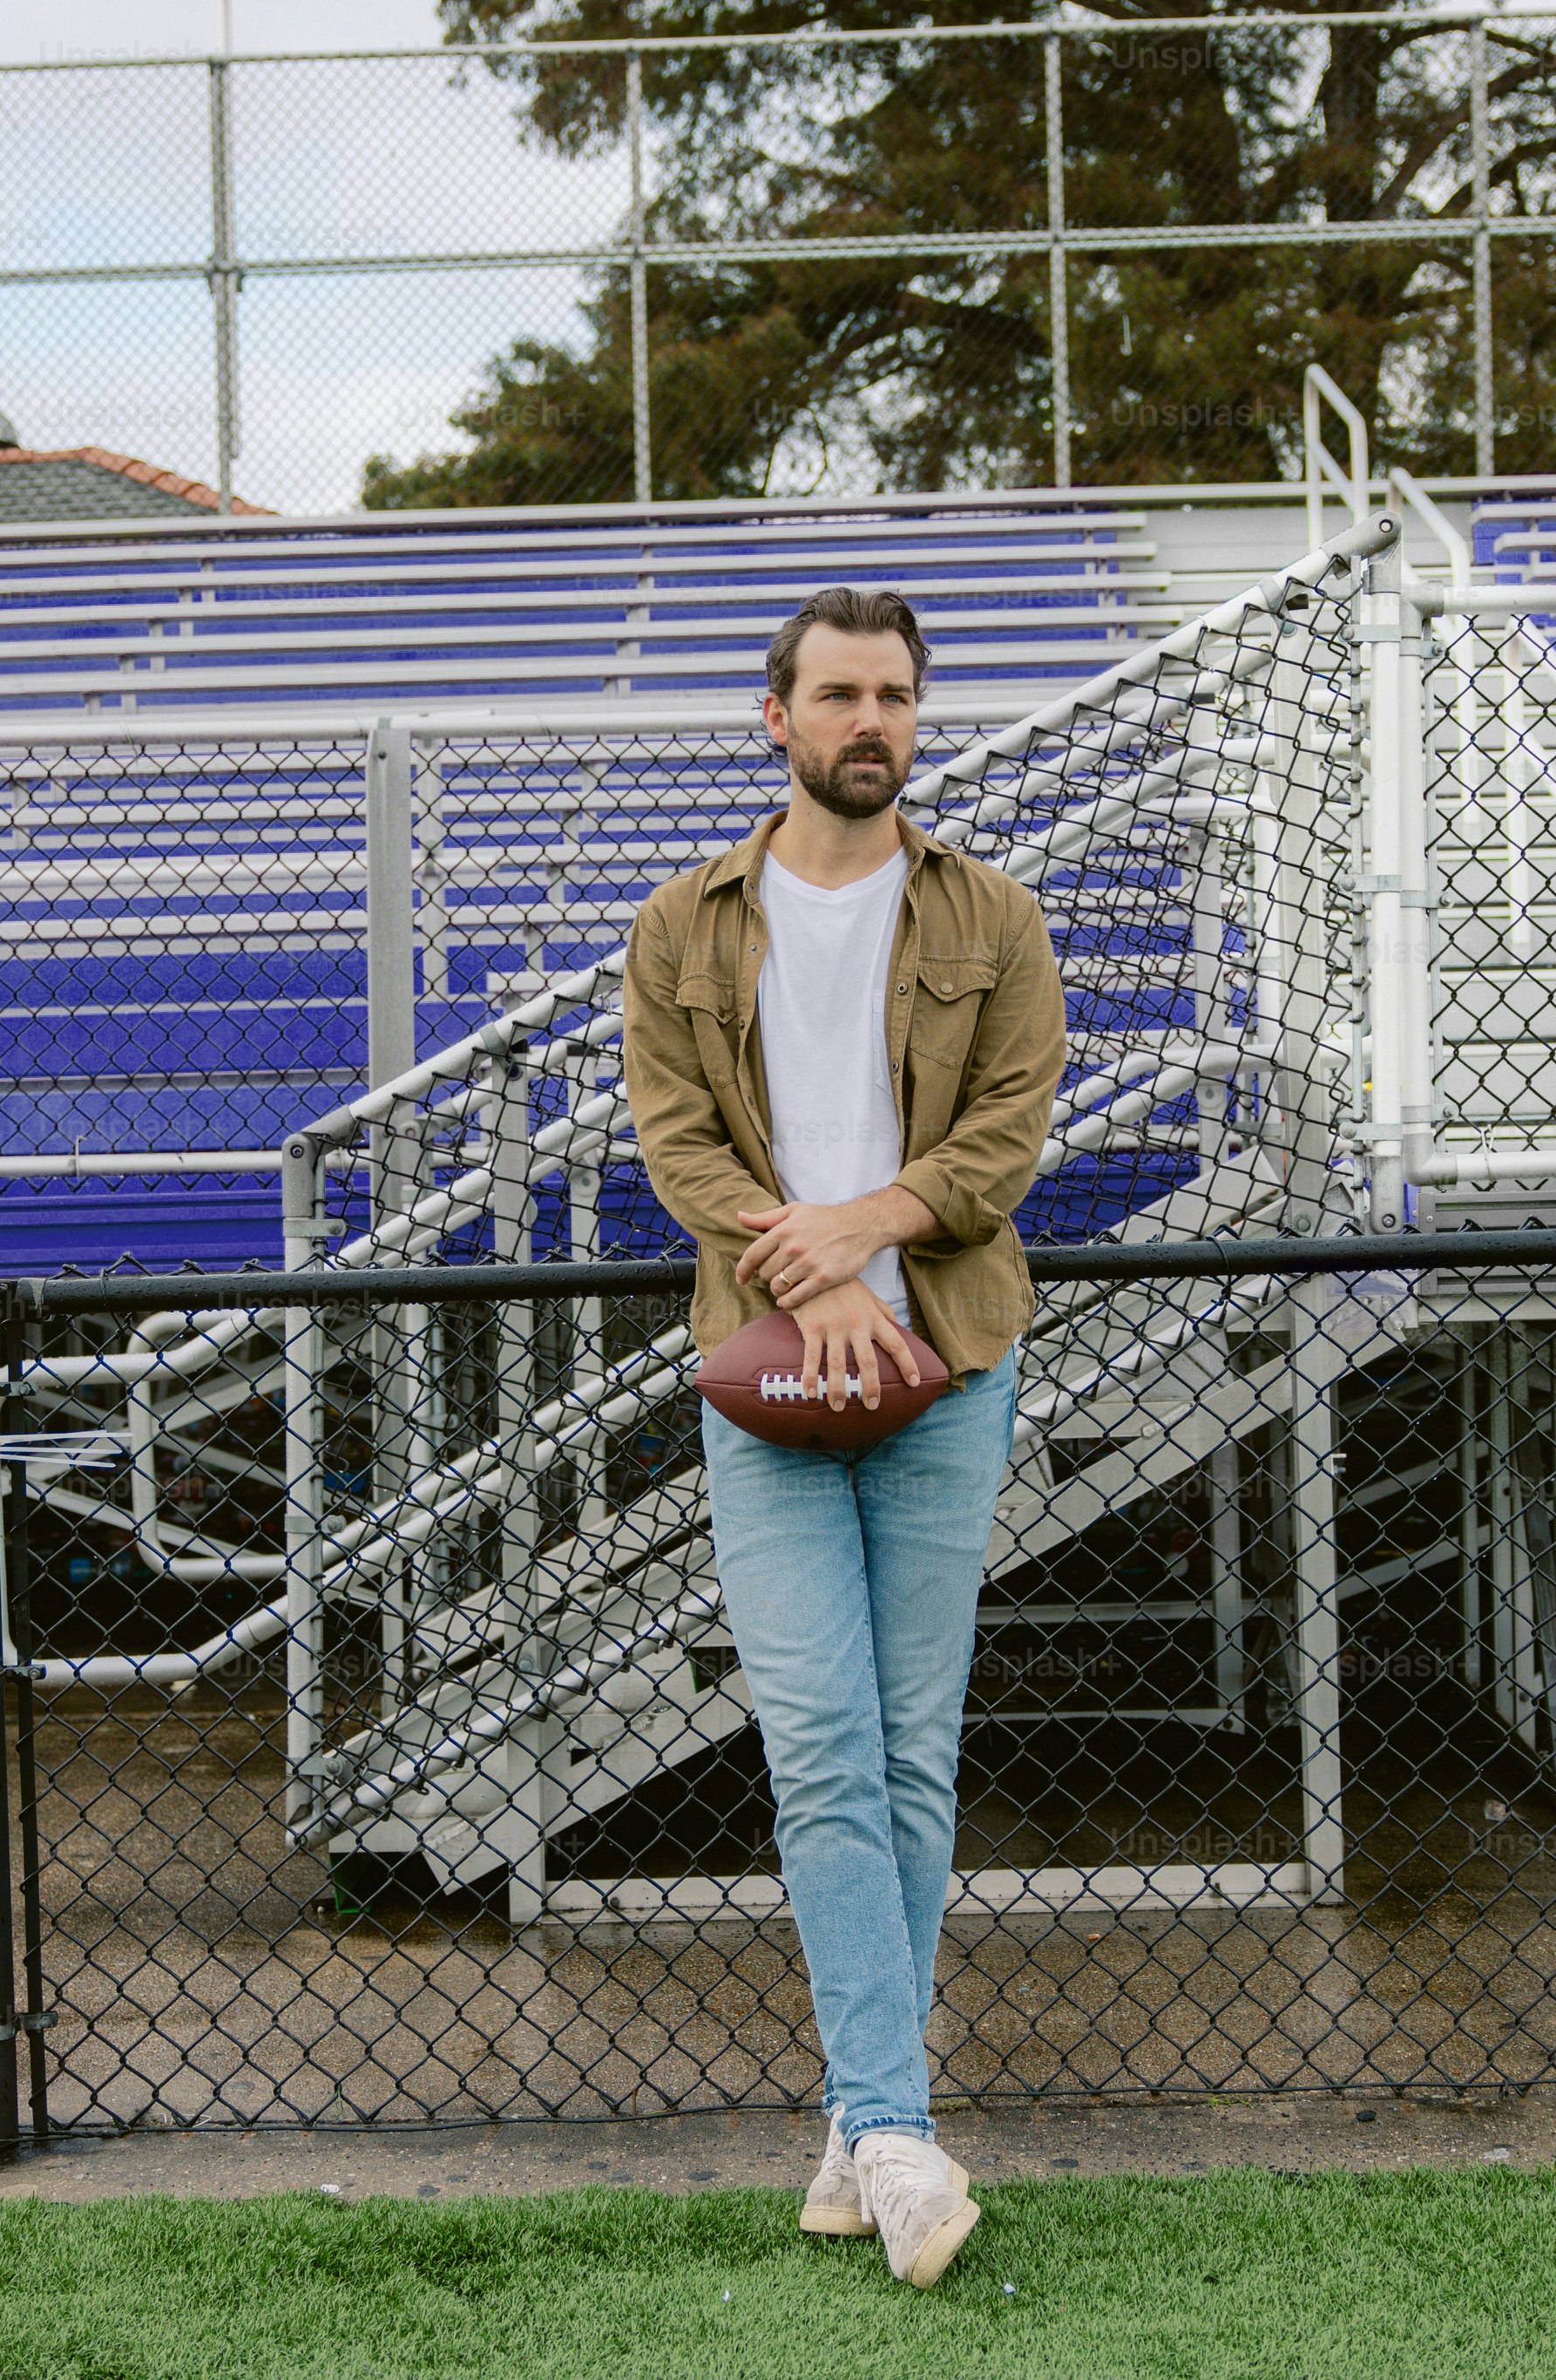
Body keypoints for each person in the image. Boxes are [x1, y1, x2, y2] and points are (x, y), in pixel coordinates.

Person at [622, 586, 1065, 2288]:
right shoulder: (685, 927)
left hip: (949, 1363)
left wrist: (861, 1220)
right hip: (768, 1375)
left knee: (906, 1749)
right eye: (837, 693)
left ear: (913, 715)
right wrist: (801, 1271)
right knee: (816, 1738)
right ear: (778, 714)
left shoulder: (994, 919)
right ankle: (893, 2126)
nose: (867, 718)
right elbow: (680, 1147)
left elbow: (1008, 1136)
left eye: (893, 693)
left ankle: (860, 2124)